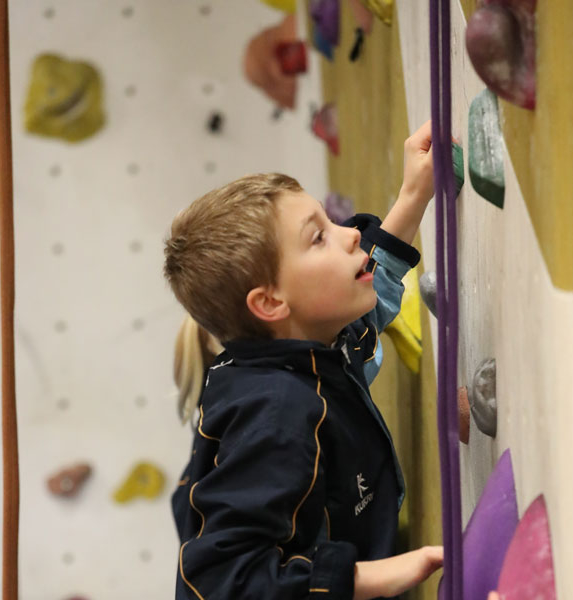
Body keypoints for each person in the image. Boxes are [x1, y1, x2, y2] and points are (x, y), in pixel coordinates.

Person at [163, 120, 442, 599]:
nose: (349, 235)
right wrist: (380, 574)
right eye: (318, 238)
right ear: (270, 303)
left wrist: (412, 196)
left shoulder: (304, 350)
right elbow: (225, 580)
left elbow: (364, 315)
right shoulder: (280, 413)